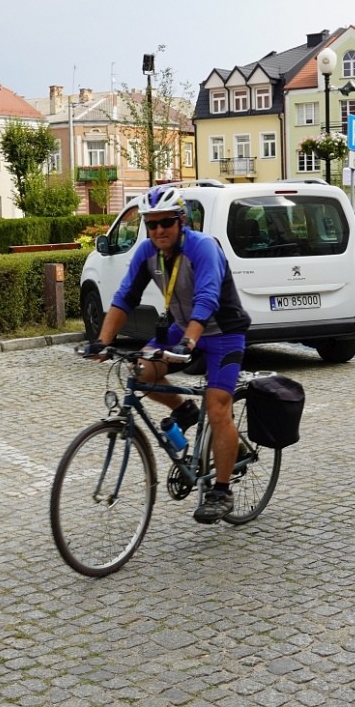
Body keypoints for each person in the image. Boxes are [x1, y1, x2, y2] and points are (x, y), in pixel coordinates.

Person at [83, 185, 251, 524]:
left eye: (166, 223)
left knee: (218, 407)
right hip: (182, 328)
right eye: (152, 224)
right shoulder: (148, 252)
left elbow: (207, 297)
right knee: (141, 370)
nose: (159, 230)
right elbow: (124, 297)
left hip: (223, 332)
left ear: (181, 221)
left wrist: (189, 341)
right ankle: (185, 410)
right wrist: (102, 341)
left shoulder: (203, 248)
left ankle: (221, 491)